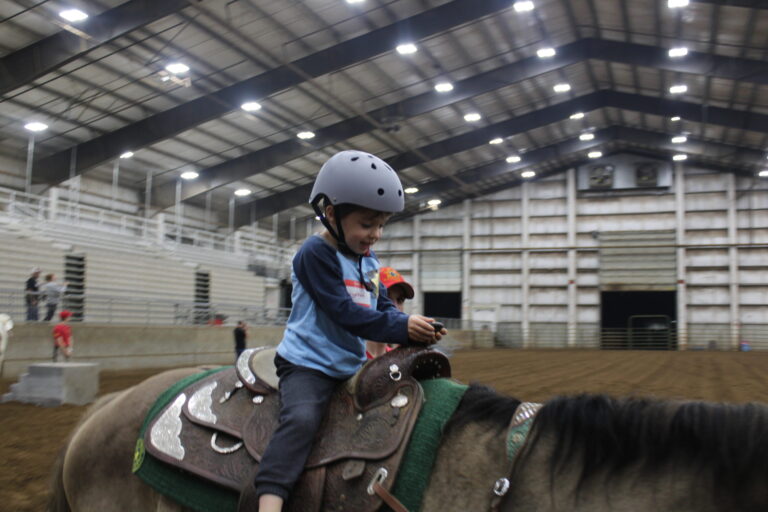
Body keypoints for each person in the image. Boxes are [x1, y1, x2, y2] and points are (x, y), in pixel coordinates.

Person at [252, 150, 446, 512]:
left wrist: (412, 326)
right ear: (331, 215)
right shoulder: (314, 254)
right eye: (367, 224)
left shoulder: (368, 259)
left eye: (381, 225)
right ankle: (271, 499)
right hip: (308, 366)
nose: (375, 234)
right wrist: (402, 326)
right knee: (301, 420)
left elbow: (380, 306)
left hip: (350, 364)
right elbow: (346, 314)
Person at [366, 266, 415, 359]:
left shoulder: (400, 360)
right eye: (386, 299)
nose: (395, 307)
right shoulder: (351, 360)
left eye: (400, 300)